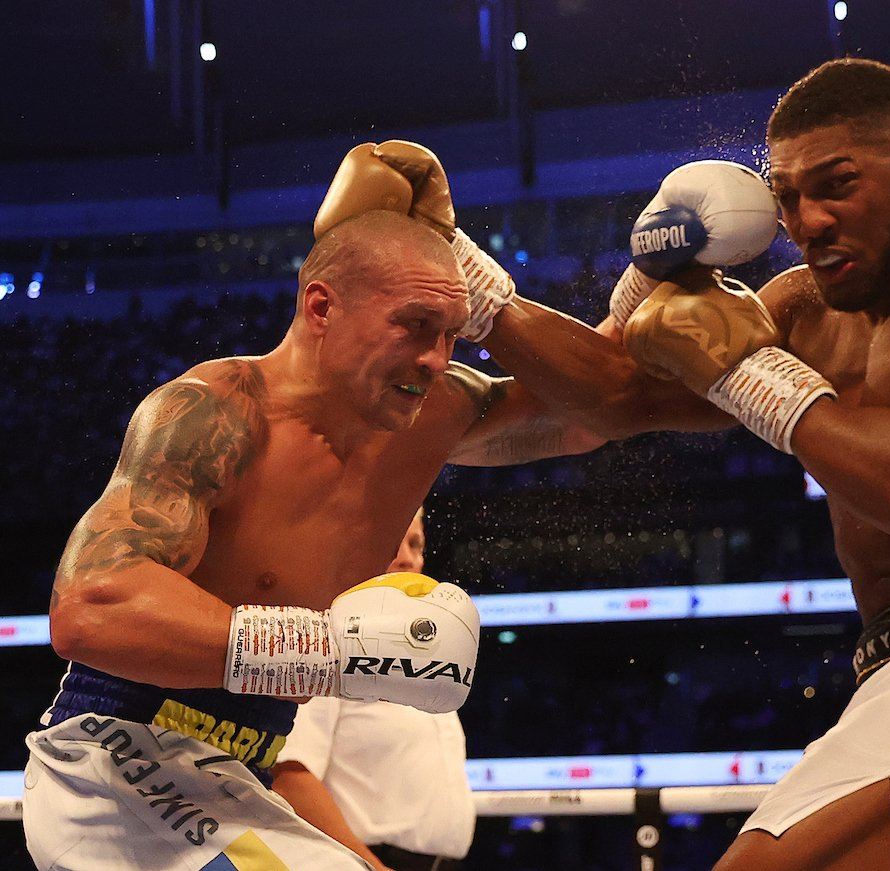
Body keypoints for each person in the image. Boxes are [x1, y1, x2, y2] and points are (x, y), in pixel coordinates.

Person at [467, 61, 890, 870]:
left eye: (837, 185)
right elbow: (610, 398)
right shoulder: (800, 308)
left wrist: (747, 373)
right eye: (787, 197)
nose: (808, 220)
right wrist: (461, 278)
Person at [21, 147, 659, 869]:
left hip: (235, 777)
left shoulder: (430, 417)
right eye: (414, 324)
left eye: (453, 333)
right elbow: (90, 608)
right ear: (321, 306)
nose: (434, 358)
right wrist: (333, 654)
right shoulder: (215, 412)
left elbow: (592, 408)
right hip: (117, 758)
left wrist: (650, 283)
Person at [272, 509, 475, 871]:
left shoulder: (429, 662)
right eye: (392, 540)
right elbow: (290, 778)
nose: (407, 558)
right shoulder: (329, 645)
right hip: (363, 861)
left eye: (416, 543)